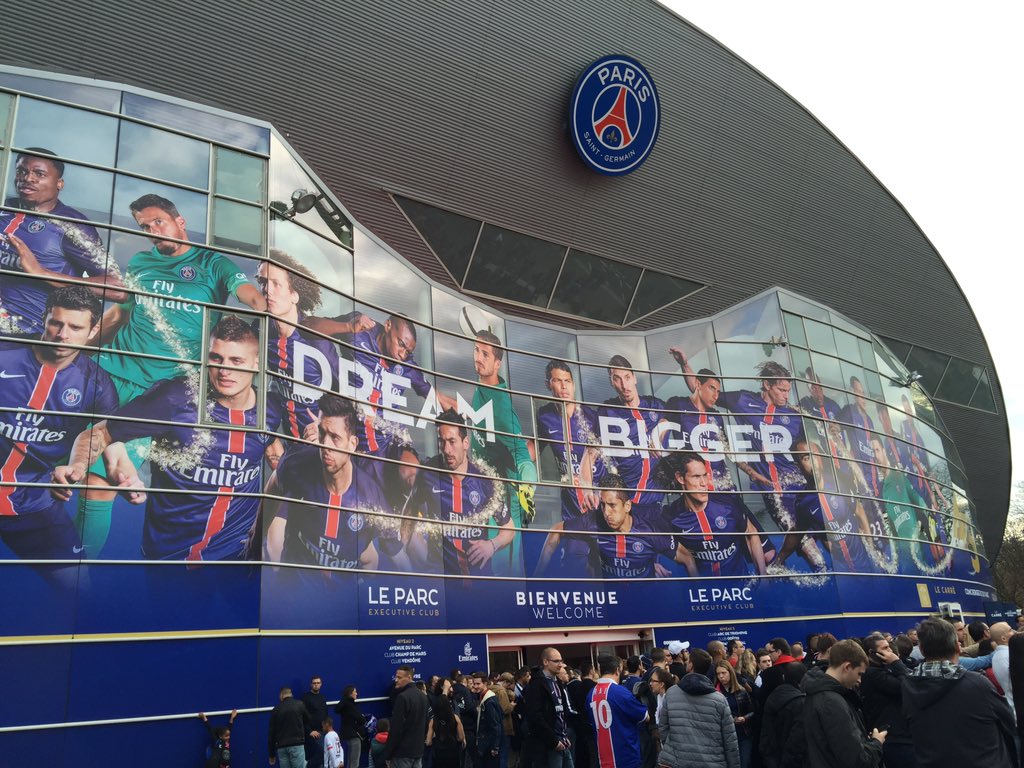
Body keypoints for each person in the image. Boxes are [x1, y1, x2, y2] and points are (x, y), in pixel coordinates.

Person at [53, 316, 280, 560]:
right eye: (216, 358)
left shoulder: (270, 411)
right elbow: (99, 433)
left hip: (237, 554)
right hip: (170, 554)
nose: (224, 370)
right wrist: (77, 465)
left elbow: (278, 461)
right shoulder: (175, 398)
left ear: (256, 363)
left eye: (236, 361)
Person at [0, 286, 118, 569]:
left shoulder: (99, 386)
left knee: (79, 585)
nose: (63, 334)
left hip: (34, 503)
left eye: (75, 327)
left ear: (92, 331)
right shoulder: (5, 350)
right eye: (56, 323)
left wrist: (76, 469)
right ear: (44, 319)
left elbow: (100, 438)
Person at [672, 354, 823, 570]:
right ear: (766, 385)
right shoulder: (743, 400)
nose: (786, 395)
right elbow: (702, 392)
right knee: (804, 543)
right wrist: (685, 365)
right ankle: (811, 576)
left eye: (788, 390)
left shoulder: (793, 415)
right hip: (776, 491)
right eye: (781, 390)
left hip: (800, 485)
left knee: (827, 533)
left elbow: (806, 452)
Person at [0, 147, 124, 334]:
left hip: (26, 337)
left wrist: (41, 272)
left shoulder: (73, 226)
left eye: (39, 174)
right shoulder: (5, 207)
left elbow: (117, 289)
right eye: (22, 171)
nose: (28, 178)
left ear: (59, 183)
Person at [265, 394, 385, 569]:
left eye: (335, 437)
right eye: (322, 433)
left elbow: (370, 559)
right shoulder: (300, 468)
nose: (327, 444)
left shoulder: (364, 483)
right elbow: (274, 539)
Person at [902, 618, 1016, 767]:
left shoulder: (908, 685)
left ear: (922, 650)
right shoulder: (977, 683)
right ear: (957, 646)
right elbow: (1007, 721)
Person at [468, 329, 535, 573]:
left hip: (504, 491)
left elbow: (522, 455)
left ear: (497, 363)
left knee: (503, 565)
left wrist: (527, 487)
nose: (478, 357)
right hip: (484, 484)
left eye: (485, 354)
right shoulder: (483, 385)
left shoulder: (501, 405)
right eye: (476, 350)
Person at [421, 408, 513, 576]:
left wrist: (491, 545)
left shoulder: (485, 481)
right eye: (442, 442)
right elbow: (408, 512)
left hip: (480, 586)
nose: (447, 449)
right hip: (442, 586)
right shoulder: (427, 473)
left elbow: (509, 528)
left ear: (465, 443)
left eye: (452, 441)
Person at [259, 251, 338, 443]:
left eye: (276, 284)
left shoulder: (316, 341)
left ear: (294, 295)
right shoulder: (260, 332)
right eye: (262, 282)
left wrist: (325, 424)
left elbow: (346, 395)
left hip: (320, 446)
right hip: (288, 445)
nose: (267, 290)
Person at [534, 474, 673, 579]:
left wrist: (649, 564)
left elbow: (685, 557)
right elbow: (555, 530)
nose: (606, 512)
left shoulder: (644, 517)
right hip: (608, 599)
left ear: (627, 506)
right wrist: (537, 576)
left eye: (612, 505)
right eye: (602, 504)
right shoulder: (593, 521)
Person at [661, 452, 766, 578]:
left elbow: (751, 533)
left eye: (705, 475)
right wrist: (654, 564)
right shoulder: (671, 516)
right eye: (696, 476)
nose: (704, 483)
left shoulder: (728, 504)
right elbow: (652, 543)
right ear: (680, 478)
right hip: (702, 591)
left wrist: (763, 577)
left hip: (739, 588)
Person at [534, 360, 604, 523]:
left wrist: (589, 489)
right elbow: (534, 446)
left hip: (596, 494)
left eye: (568, 381)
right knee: (573, 546)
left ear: (573, 385)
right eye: (558, 381)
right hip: (570, 500)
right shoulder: (545, 416)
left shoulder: (591, 417)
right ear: (548, 385)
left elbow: (591, 454)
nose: (564, 386)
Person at [596, 355, 666, 513]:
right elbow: (593, 448)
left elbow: (676, 416)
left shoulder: (655, 405)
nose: (624, 385)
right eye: (617, 379)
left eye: (627, 377)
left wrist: (661, 428)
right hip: (626, 505)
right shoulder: (607, 411)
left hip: (655, 503)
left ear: (634, 378)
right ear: (611, 383)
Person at [801, 639, 884, 768]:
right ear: (847, 667)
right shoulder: (832, 702)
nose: (859, 680)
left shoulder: (818, 693)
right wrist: (876, 743)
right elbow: (856, 760)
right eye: (859, 674)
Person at [657, 648, 739, 768]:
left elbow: (663, 727)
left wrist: (674, 748)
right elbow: (730, 740)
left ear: (691, 665)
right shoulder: (719, 700)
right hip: (712, 761)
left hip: (679, 760)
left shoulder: (671, 693)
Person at [664, 353, 731, 489]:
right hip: (695, 484)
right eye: (712, 389)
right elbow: (663, 425)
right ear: (698, 384)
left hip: (722, 486)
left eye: (718, 392)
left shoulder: (716, 416)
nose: (715, 396)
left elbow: (727, 450)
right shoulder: (678, 404)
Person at [859, 633, 913, 768]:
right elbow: (908, 687)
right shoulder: (873, 673)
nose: (890, 651)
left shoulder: (883, 669)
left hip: (900, 734)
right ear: (872, 653)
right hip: (893, 737)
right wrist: (897, 663)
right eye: (885, 648)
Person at [587, 654, 648, 768]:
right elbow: (644, 716)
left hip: (603, 757)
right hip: (626, 755)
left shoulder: (591, 694)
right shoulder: (621, 692)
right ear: (617, 670)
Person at [523, 647, 572, 768]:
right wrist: (553, 741)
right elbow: (535, 717)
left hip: (563, 741)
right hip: (548, 745)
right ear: (545, 662)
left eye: (561, 661)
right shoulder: (537, 685)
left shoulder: (558, 682)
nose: (560, 665)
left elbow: (562, 711)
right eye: (556, 661)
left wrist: (564, 735)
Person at [758, 662, 806, 768]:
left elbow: (765, 733)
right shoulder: (800, 702)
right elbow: (796, 741)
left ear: (784, 677)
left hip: (772, 758)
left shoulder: (772, 697)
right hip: (790, 762)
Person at [380, 666, 429, 768]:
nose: (396, 680)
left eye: (399, 677)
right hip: (418, 750)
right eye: (396, 677)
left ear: (409, 677)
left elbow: (396, 728)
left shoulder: (403, 697)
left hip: (402, 752)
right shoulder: (422, 696)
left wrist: (387, 754)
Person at [713, 661, 753, 768]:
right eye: (718, 674)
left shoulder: (741, 691)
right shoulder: (714, 693)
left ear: (730, 673)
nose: (721, 676)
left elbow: (752, 711)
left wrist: (744, 718)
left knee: (744, 763)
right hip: (724, 737)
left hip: (742, 734)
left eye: (723, 673)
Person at [269, 686, 320, 767]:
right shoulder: (299, 704)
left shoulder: (275, 710)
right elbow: (309, 719)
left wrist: (272, 754)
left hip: (281, 747)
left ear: (281, 696)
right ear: (291, 694)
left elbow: (271, 733)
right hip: (297, 744)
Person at [635, 667, 673, 768]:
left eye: (653, 681)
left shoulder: (669, 699)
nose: (650, 683)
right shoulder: (658, 697)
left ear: (662, 684)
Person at [472, 671, 504, 768]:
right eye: (474, 683)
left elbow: (495, 725)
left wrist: (495, 747)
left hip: (489, 746)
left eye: (478, 683)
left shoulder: (489, 701)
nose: (475, 686)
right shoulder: (484, 698)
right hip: (486, 744)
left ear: (485, 683)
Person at [426, 691, 465, 768]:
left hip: (438, 753)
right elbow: (461, 738)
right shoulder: (455, 718)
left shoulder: (433, 720)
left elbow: (428, 742)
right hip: (453, 751)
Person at [334, 685, 367, 768]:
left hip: (347, 734)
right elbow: (360, 719)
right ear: (350, 694)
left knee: (350, 760)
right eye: (355, 692)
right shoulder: (351, 705)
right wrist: (363, 718)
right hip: (354, 734)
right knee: (354, 762)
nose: (357, 693)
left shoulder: (344, 704)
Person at [990, 621, 1016, 718]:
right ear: (1003, 638)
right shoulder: (1009, 655)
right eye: (1010, 630)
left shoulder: (998, 656)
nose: (1014, 632)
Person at [304, 676, 329, 768]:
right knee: (319, 755)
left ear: (321, 684)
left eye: (318, 683)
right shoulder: (306, 697)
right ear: (311, 685)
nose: (316, 685)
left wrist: (328, 729)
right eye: (314, 683)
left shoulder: (322, 697)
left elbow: (326, 714)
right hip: (313, 733)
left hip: (323, 732)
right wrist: (310, 731)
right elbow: (303, 717)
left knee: (324, 757)